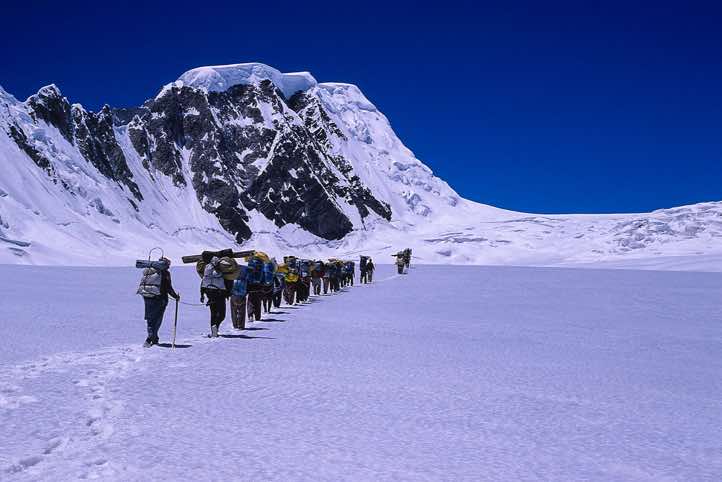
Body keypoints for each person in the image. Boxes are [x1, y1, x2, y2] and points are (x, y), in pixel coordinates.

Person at [138, 257, 180, 347]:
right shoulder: (165, 273)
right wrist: (175, 296)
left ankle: (153, 338)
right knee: (157, 319)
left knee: (150, 318)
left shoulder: (148, 270)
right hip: (160, 298)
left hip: (147, 296)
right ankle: (150, 338)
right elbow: (168, 287)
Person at [200, 256, 232, 337]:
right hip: (220, 294)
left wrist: (202, 295)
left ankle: (213, 330)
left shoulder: (207, 270)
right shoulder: (221, 270)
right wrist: (228, 293)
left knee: (213, 313)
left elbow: (203, 282)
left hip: (210, 294)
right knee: (222, 314)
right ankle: (216, 327)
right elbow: (228, 282)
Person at [230, 265, 249, 330]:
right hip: (242, 294)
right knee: (242, 310)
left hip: (233, 294)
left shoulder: (233, 271)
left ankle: (235, 325)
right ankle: (241, 325)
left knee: (234, 310)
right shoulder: (245, 272)